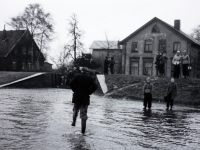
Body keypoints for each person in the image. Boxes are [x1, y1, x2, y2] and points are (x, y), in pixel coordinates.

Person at [70, 67, 97, 134]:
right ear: (87, 72)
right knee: (83, 114)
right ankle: (83, 132)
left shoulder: (76, 76)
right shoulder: (90, 78)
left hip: (77, 96)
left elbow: (70, 83)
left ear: (81, 71)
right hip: (85, 97)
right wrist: (89, 92)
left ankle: (73, 122)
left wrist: (74, 90)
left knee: (75, 109)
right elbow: (95, 86)